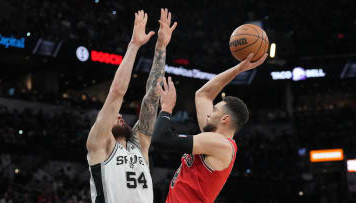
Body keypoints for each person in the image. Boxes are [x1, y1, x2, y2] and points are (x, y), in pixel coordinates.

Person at [86, 9, 177, 203]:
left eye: (120, 115)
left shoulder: (139, 145)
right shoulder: (101, 144)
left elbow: (152, 96)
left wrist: (161, 47)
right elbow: (117, 91)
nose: (119, 116)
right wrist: (134, 45)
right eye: (114, 116)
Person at [152, 53, 268, 203]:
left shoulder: (220, 144)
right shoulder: (213, 137)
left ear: (225, 119)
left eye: (214, 111)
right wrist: (239, 68)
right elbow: (203, 95)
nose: (208, 114)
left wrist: (166, 108)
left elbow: (161, 139)